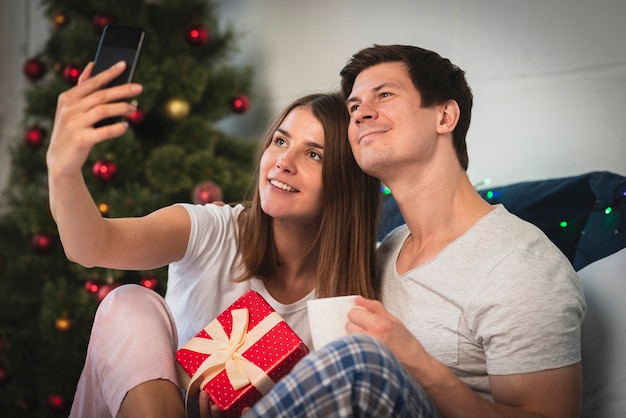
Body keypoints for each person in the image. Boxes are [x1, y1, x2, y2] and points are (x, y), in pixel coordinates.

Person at [240, 45, 586, 417]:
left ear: (444, 116)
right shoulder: (385, 250)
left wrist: (419, 364)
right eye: (354, 107)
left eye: (384, 95)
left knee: (359, 359)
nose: (361, 115)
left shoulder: (519, 267)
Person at [46, 60, 381, 418]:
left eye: (314, 154)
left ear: (347, 184)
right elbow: (92, 245)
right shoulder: (213, 229)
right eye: (280, 140)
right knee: (128, 302)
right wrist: (62, 169)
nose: (283, 161)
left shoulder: (361, 294)